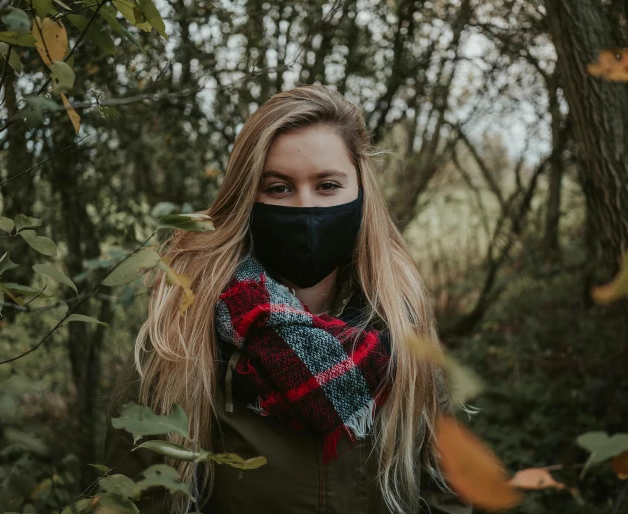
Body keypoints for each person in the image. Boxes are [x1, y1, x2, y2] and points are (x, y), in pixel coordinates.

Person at [104, 85, 472, 514]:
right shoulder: (183, 331)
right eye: (279, 188)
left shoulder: (400, 325)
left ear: (360, 194)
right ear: (248, 199)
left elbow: (444, 490)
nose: (306, 207)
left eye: (328, 185)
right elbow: (135, 494)